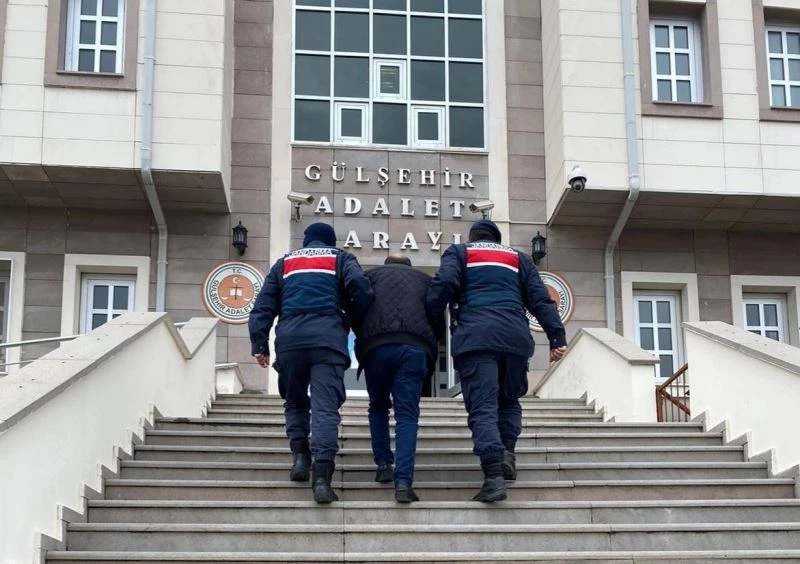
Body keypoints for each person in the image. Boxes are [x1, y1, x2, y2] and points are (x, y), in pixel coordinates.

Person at [426, 219, 567, 503]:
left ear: (473, 237)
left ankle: (493, 478)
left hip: (477, 338)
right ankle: (507, 454)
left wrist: (431, 315)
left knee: (483, 407)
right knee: (509, 401)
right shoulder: (518, 258)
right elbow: (541, 300)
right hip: (515, 340)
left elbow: (444, 283)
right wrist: (556, 338)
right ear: (496, 238)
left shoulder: (460, 252)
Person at [249, 222, 374, 504]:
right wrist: (350, 318)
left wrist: (260, 345)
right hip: (328, 341)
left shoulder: (285, 263)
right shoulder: (341, 258)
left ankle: (300, 459)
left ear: (306, 241)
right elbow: (362, 290)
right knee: (325, 408)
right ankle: (322, 479)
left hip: (290, 342)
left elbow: (263, 307)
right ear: (330, 241)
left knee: (294, 402)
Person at [355, 255, 445, 503]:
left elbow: (357, 308)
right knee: (407, 415)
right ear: (409, 267)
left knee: (378, 406)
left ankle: (383, 464)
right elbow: (437, 314)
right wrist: (432, 340)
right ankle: (403, 483)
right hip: (413, 349)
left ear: (385, 265)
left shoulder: (369, 278)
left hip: (376, 348)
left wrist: (363, 336)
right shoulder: (424, 280)